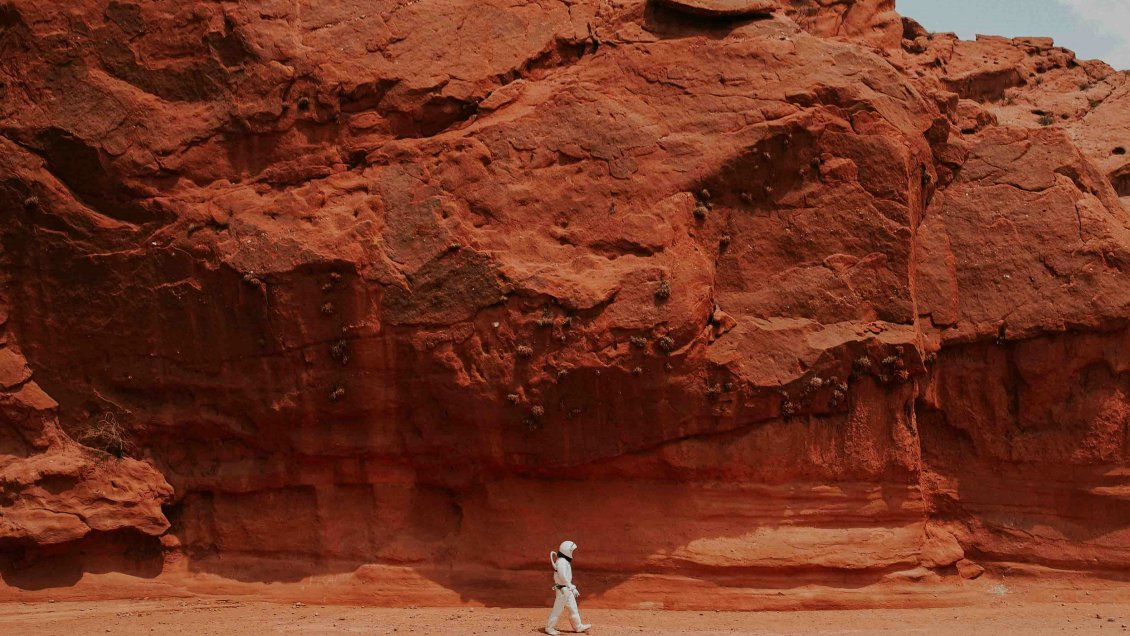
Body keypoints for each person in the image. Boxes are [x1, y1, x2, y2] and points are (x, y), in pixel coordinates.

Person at [546, 540, 591, 635]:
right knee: (557, 609)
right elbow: (562, 576)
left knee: (573, 608)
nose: (573, 552)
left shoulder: (563, 561)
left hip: (566, 589)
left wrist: (571, 587)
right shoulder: (562, 562)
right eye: (572, 551)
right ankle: (549, 628)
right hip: (563, 590)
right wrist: (571, 586)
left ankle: (578, 626)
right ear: (567, 551)